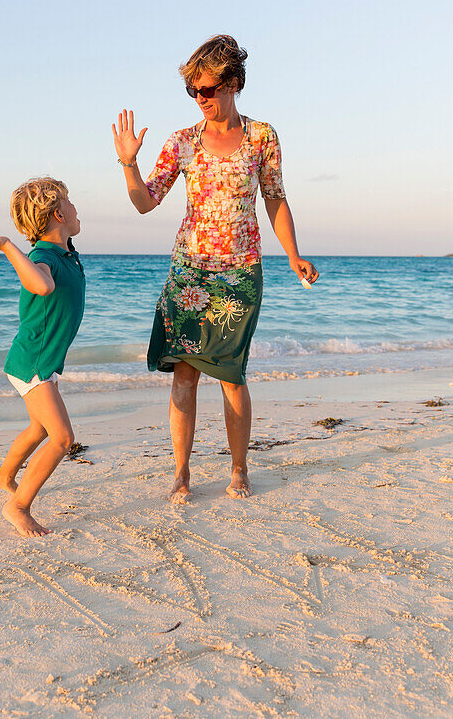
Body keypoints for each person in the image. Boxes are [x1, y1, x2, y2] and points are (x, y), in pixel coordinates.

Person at [111, 34, 318, 504]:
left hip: (240, 273)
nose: (201, 99)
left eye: (208, 89)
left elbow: (275, 198)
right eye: (193, 92)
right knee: (185, 374)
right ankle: (181, 474)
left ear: (234, 82)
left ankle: (239, 469)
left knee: (230, 374)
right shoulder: (182, 142)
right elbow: (146, 202)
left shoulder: (263, 136)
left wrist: (293, 253)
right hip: (189, 274)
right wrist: (128, 164)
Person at [0, 177, 86, 536]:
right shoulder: (41, 257)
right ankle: (17, 507)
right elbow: (42, 285)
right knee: (62, 438)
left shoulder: (64, 254)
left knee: (38, 428)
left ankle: (4, 476)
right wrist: (6, 246)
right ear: (58, 212)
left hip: (38, 361)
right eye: (71, 201)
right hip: (33, 362)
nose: (77, 208)